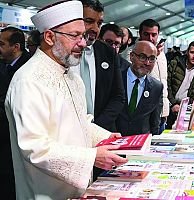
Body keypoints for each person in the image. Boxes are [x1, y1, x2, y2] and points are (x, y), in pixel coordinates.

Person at [4, 1, 127, 199]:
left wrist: (105, 137)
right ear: (50, 37)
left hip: (77, 191)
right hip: (44, 193)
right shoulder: (27, 81)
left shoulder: (72, 76)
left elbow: (79, 123)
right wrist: (91, 157)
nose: (83, 43)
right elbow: (34, 148)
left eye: (83, 35)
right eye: (75, 36)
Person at [74, 0, 125, 132]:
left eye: (99, 23)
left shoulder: (108, 53)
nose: (95, 29)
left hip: (103, 132)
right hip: (70, 133)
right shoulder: (63, 53)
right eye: (89, 21)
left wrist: (96, 128)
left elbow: (118, 96)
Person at [0, 26, 31, 199]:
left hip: (17, 139)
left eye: (2, 44)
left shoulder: (27, 70)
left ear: (16, 46)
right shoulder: (4, 65)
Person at [116, 41, 163, 136]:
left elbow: (155, 122)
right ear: (131, 56)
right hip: (114, 141)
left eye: (152, 59)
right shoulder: (116, 79)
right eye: (142, 57)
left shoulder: (157, 87)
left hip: (141, 144)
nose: (147, 63)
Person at [166, 41, 194, 128]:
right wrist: (173, 104)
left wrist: (188, 107)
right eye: (192, 52)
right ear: (187, 52)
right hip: (170, 106)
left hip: (188, 109)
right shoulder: (175, 63)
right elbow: (167, 85)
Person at [138, 19, 169, 134]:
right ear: (140, 34)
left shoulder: (161, 54)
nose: (150, 38)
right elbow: (138, 75)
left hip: (162, 112)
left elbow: (164, 81)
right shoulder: (133, 53)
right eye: (146, 34)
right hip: (145, 115)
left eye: (154, 35)